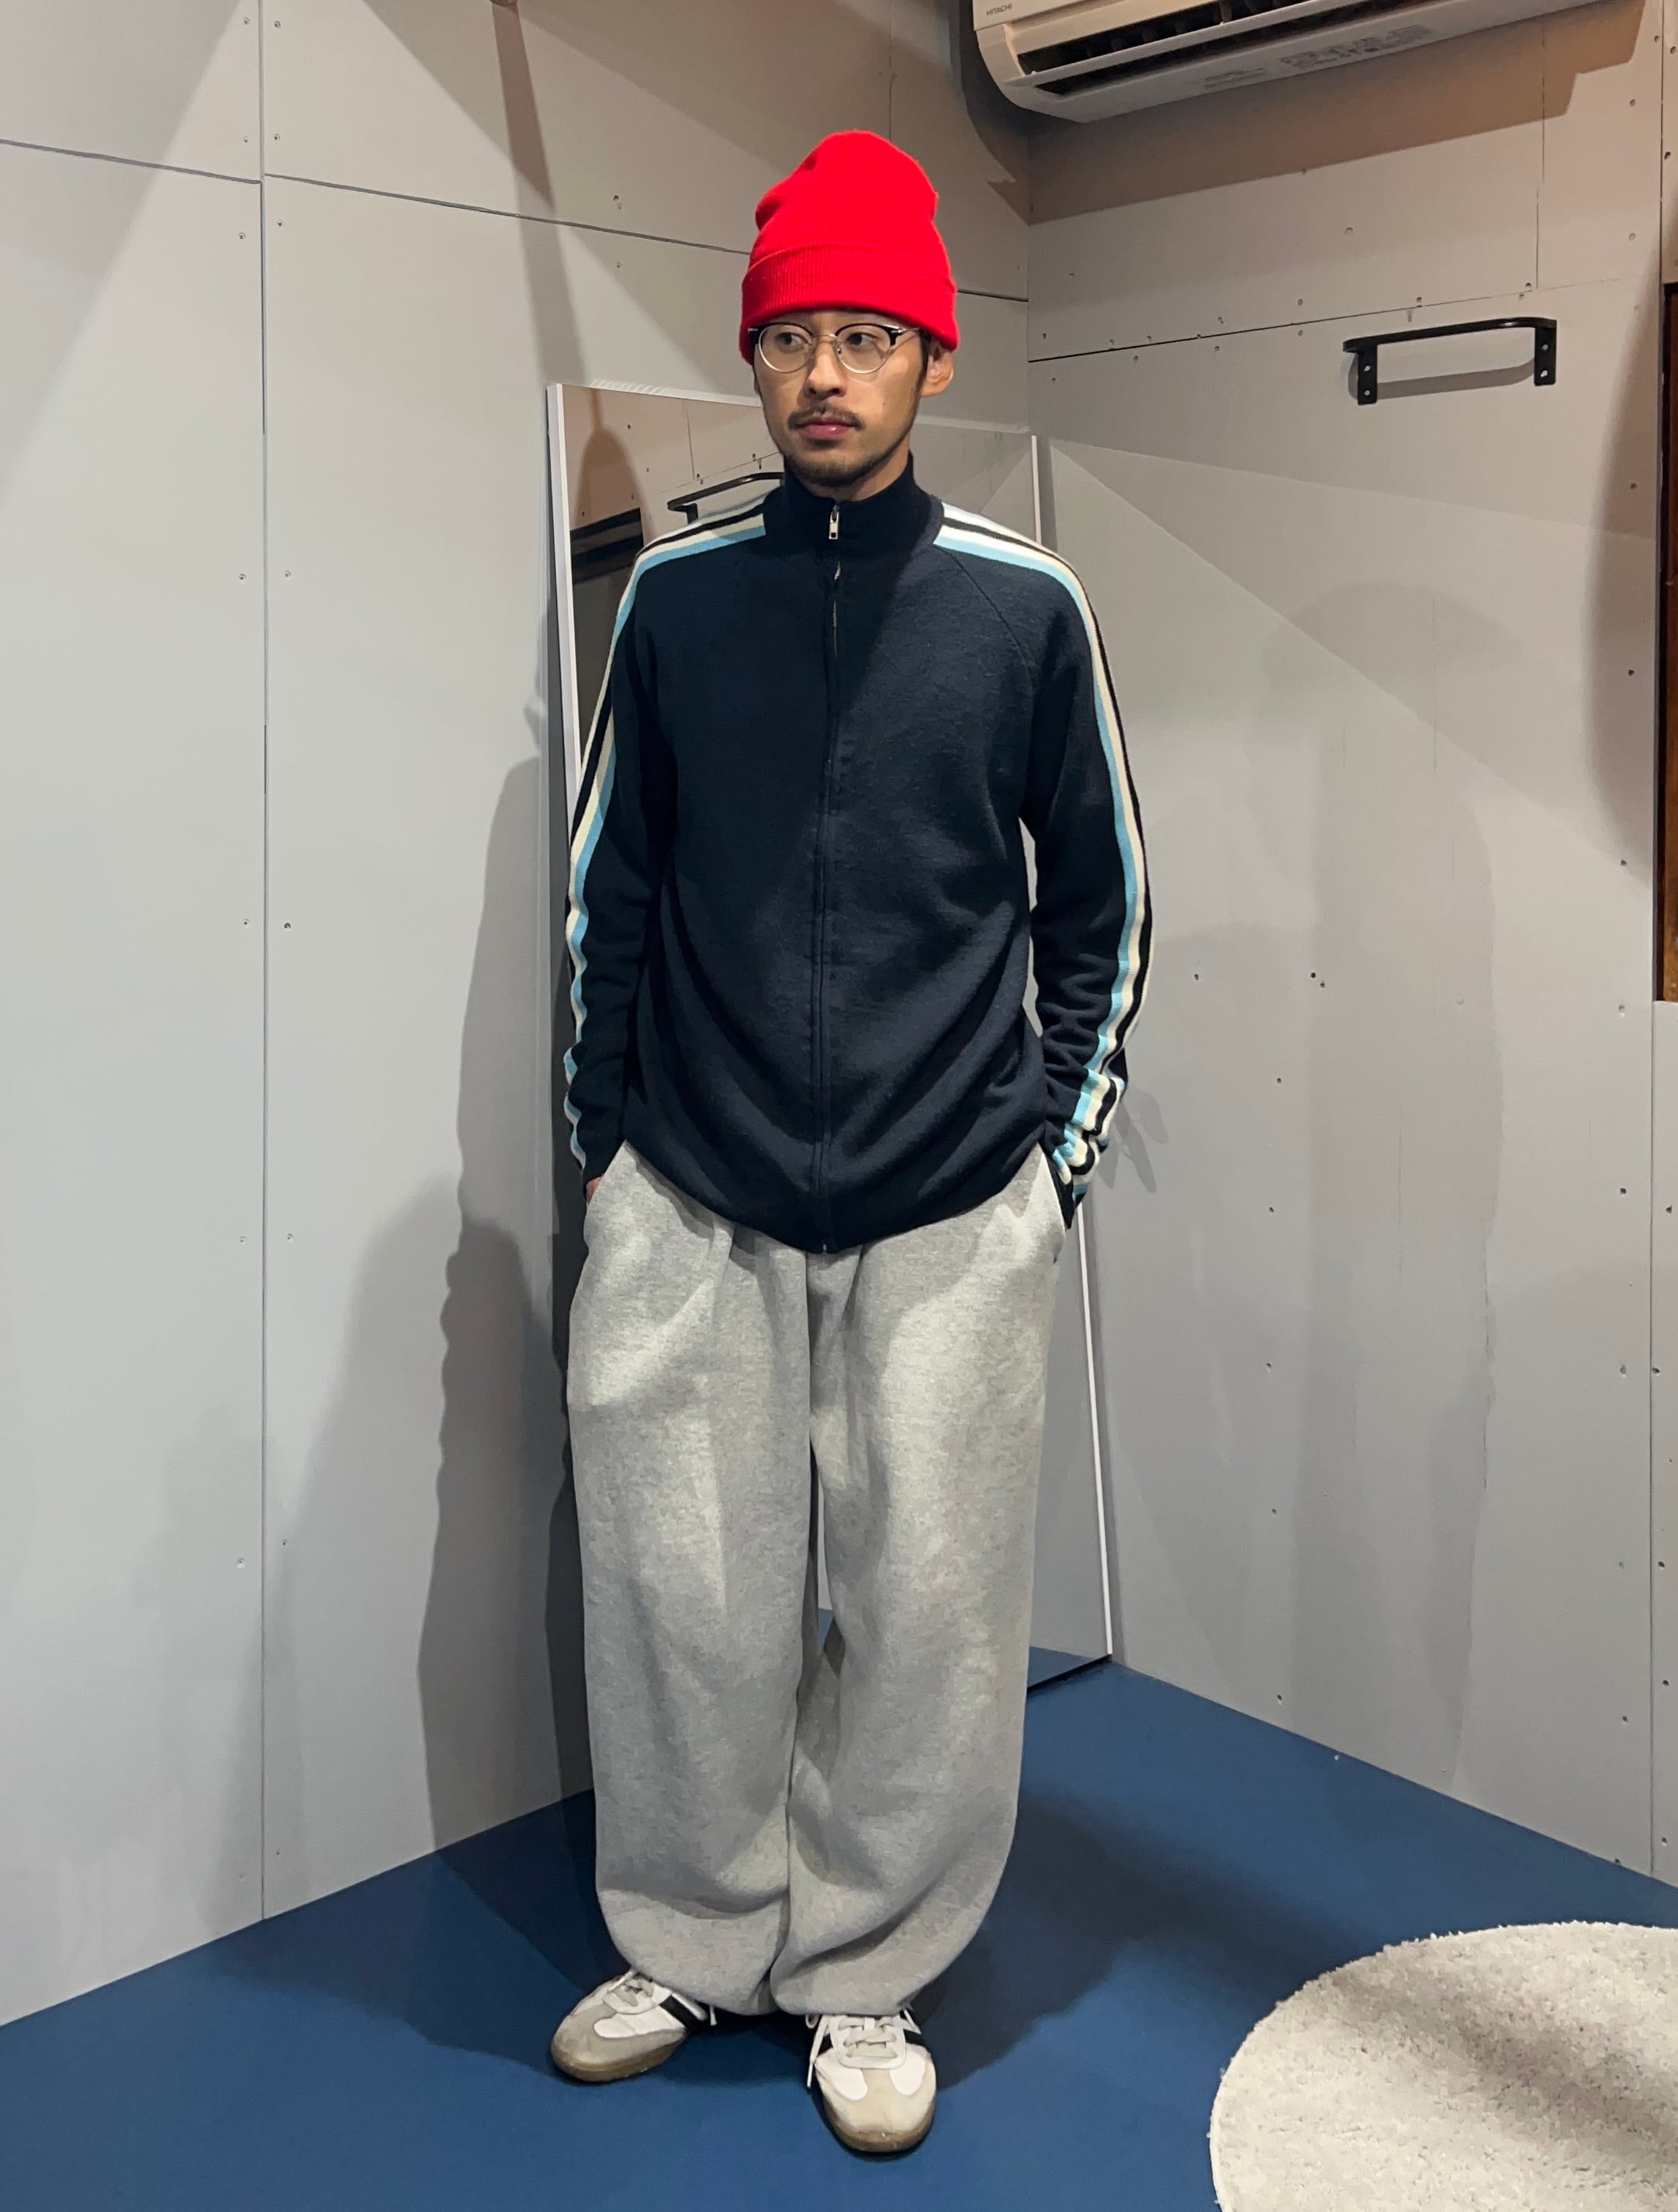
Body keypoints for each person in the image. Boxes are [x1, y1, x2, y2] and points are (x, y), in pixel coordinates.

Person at [550, 129, 1149, 2155]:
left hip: (953, 1198)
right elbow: (611, 890)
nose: (824, 372)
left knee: (933, 1616)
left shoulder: (1024, 610)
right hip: (693, 1190)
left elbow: (1104, 904)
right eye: (790, 334)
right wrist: (607, 1148)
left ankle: (865, 1967)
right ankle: (690, 1940)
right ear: (752, 355)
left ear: (932, 360)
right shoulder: (675, 607)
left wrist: (1050, 1163)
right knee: (681, 1603)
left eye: (867, 334)